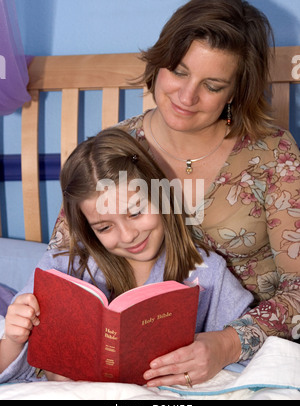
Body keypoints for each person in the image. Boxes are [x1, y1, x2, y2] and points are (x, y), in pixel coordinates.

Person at [48, 0, 300, 386]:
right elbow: (64, 266)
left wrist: (227, 344)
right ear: (158, 63)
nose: (186, 97)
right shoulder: (114, 150)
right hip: (145, 356)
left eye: (212, 86)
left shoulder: (273, 154)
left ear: (236, 91)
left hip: (253, 348)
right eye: (178, 72)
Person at [0, 128, 253, 386]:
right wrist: (13, 339)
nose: (129, 235)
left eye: (135, 213)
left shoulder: (207, 270)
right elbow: (9, 367)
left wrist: (216, 353)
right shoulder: (62, 268)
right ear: (88, 228)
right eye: (105, 228)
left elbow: (249, 345)